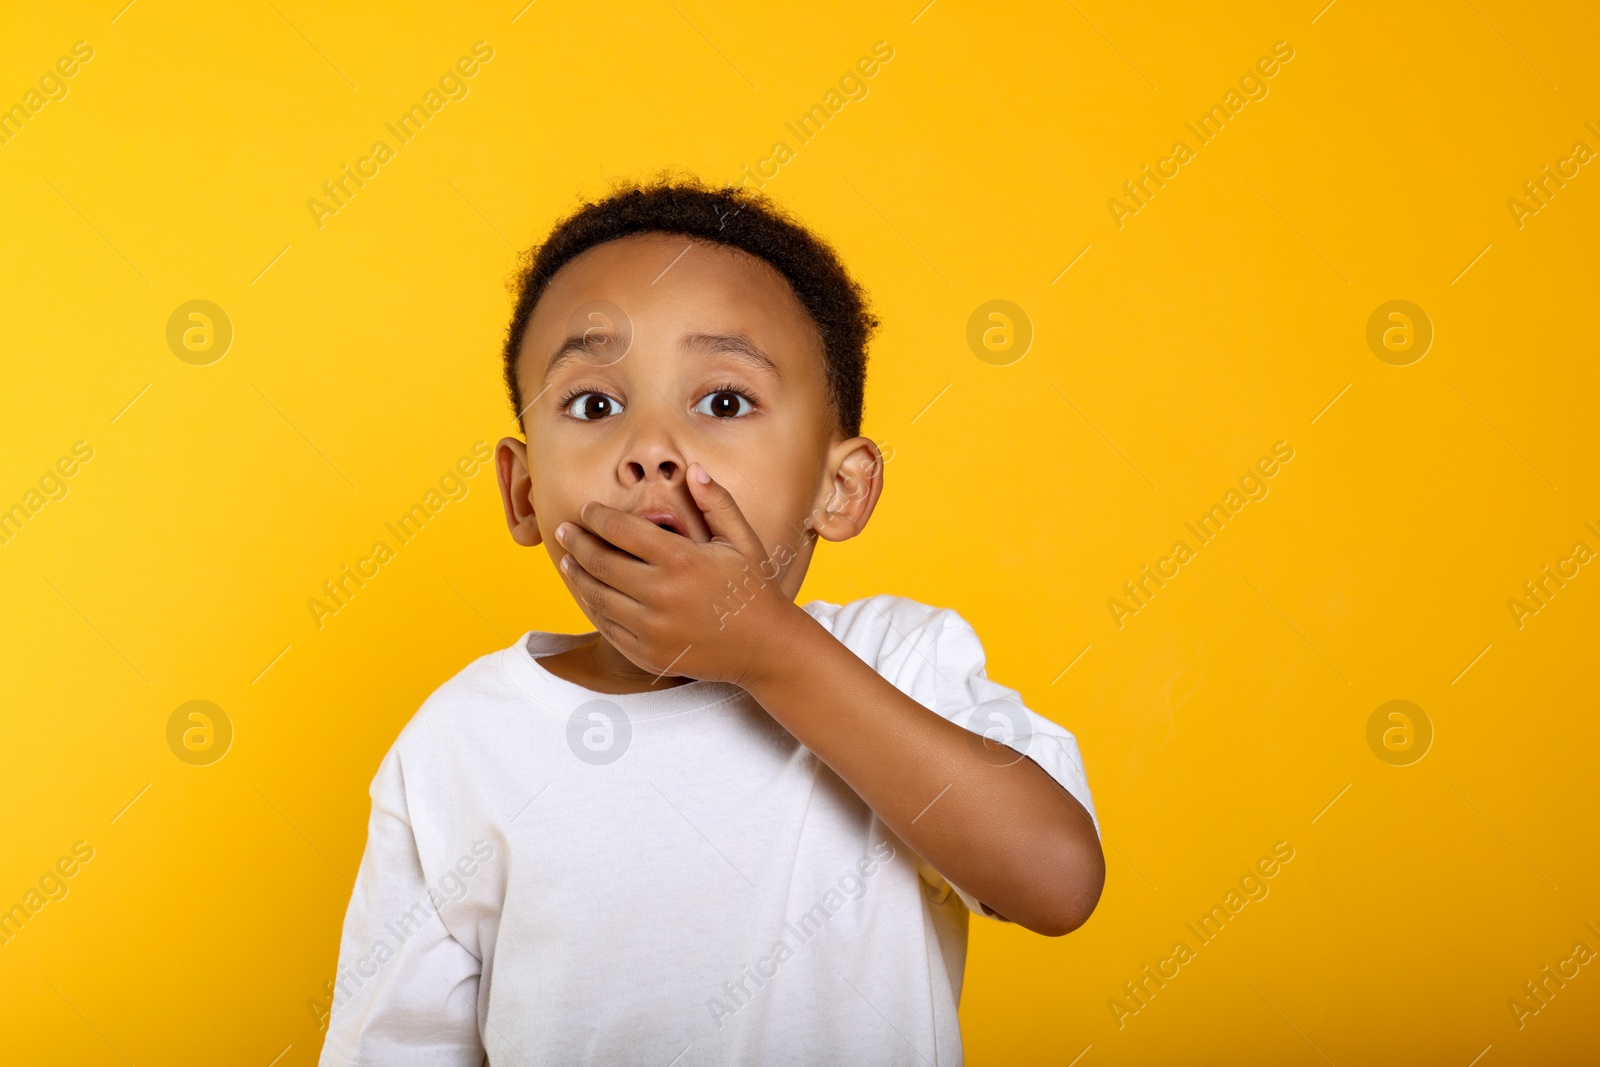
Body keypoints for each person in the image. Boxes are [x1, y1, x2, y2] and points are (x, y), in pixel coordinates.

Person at [317, 178, 1104, 1066]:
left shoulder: (900, 660)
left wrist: (768, 651)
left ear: (836, 488)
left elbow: (1056, 878)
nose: (650, 448)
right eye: (593, 404)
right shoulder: (460, 743)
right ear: (524, 486)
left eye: (723, 402)